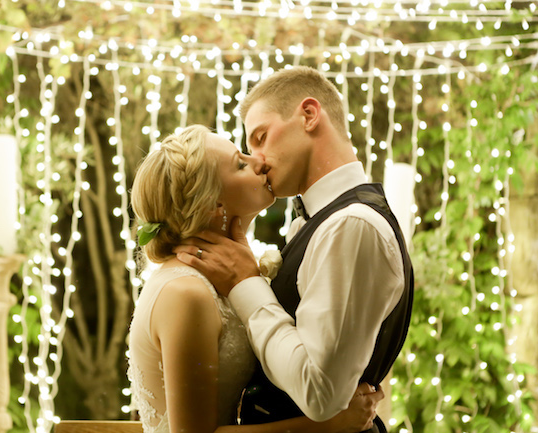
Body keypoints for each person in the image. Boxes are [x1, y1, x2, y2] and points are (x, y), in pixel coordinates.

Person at [174, 67, 414, 433]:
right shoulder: (321, 223)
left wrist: (245, 283)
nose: (259, 160)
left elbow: (319, 394)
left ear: (309, 115)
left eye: (261, 137)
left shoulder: (352, 226)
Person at [128, 125, 385, 433]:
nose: (259, 162)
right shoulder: (185, 293)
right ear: (213, 205)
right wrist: (328, 424)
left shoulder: (219, 281)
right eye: (241, 163)